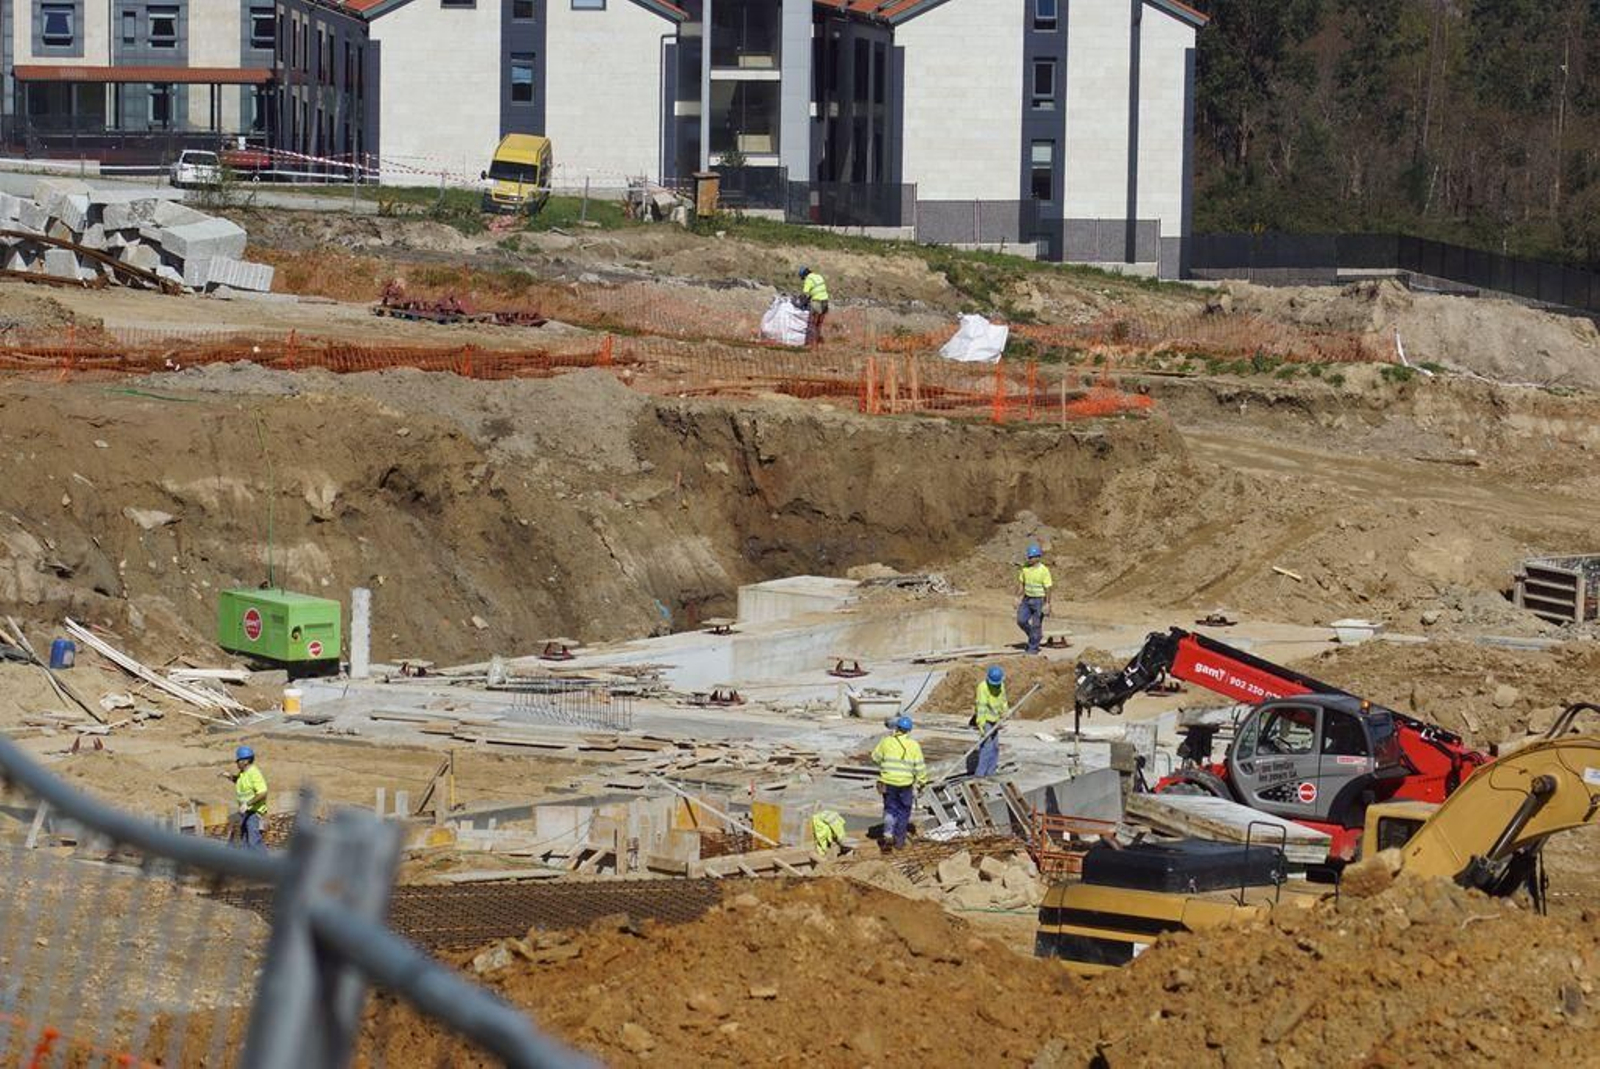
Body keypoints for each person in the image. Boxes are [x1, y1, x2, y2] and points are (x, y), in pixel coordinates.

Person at [870, 716, 927, 851]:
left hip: (888, 782)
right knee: (903, 812)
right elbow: (919, 766)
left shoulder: (886, 742)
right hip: (905, 785)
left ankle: (887, 833)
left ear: (897, 728)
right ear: (909, 730)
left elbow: (875, 758)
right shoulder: (913, 745)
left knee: (890, 808)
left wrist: (885, 765)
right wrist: (922, 781)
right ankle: (899, 842)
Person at [225, 745, 269, 850]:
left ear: (246, 761)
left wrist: (247, 804)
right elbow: (239, 781)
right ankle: (246, 864)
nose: (237, 763)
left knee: (254, 842)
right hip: (245, 812)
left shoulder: (254, 773)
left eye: (238, 760)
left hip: (254, 813)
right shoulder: (243, 773)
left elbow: (262, 792)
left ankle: (263, 864)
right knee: (244, 841)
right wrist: (229, 776)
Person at [970, 665, 1009, 777]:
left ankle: (991, 772)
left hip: (996, 719)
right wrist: (981, 725)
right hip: (986, 720)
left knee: (995, 747)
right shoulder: (983, 687)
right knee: (987, 746)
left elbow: (1003, 700)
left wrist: (1005, 712)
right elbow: (981, 707)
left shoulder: (1000, 685)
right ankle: (980, 774)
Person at [1016, 543, 1053, 654]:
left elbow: (1048, 587)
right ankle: (1035, 637)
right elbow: (1021, 584)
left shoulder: (1044, 570)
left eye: (1032, 557)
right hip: (1027, 599)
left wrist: (1047, 603)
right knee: (1021, 620)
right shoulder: (1025, 569)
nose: (1030, 559)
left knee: (1036, 624)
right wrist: (1017, 597)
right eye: (1029, 557)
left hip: (1039, 600)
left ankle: (1033, 648)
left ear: (1038, 557)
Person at [798, 266, 830, 346]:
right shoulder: (818, 276)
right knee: (819, 323)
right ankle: (818, 342)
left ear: (804, 275)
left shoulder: (808, 279)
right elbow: (817, 290)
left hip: (817, 302)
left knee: (812, 323)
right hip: (825, 301)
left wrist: (801, 304)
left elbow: (805, 294)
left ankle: (812, 344)